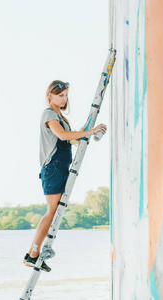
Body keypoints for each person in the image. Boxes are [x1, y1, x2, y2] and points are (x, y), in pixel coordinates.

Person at [23, 80, 107, 272]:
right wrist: (90, 130)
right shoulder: (49, 114)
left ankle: (32, 254)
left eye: (66, 95)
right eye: (60, 95)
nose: (64, 99)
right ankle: (32, 254)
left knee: (54, 213)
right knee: (51, 212)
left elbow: (72, 138)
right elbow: (62, 136)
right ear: (50, 96)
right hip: (52, 168)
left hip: (60, 168)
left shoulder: (60, 116)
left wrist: (93, 129)